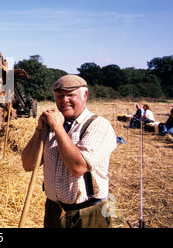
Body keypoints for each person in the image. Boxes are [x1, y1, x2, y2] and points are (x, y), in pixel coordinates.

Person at [21, 74, 117, 228]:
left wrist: (58, 128)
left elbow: (78, 167)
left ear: (84, 95)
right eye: (60, 96)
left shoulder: (98, 125)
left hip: (88, 212)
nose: (64, 100)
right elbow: (27, 165)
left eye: (70, 95)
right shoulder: (50, 127)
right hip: (54, 210)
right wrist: (39, 130)